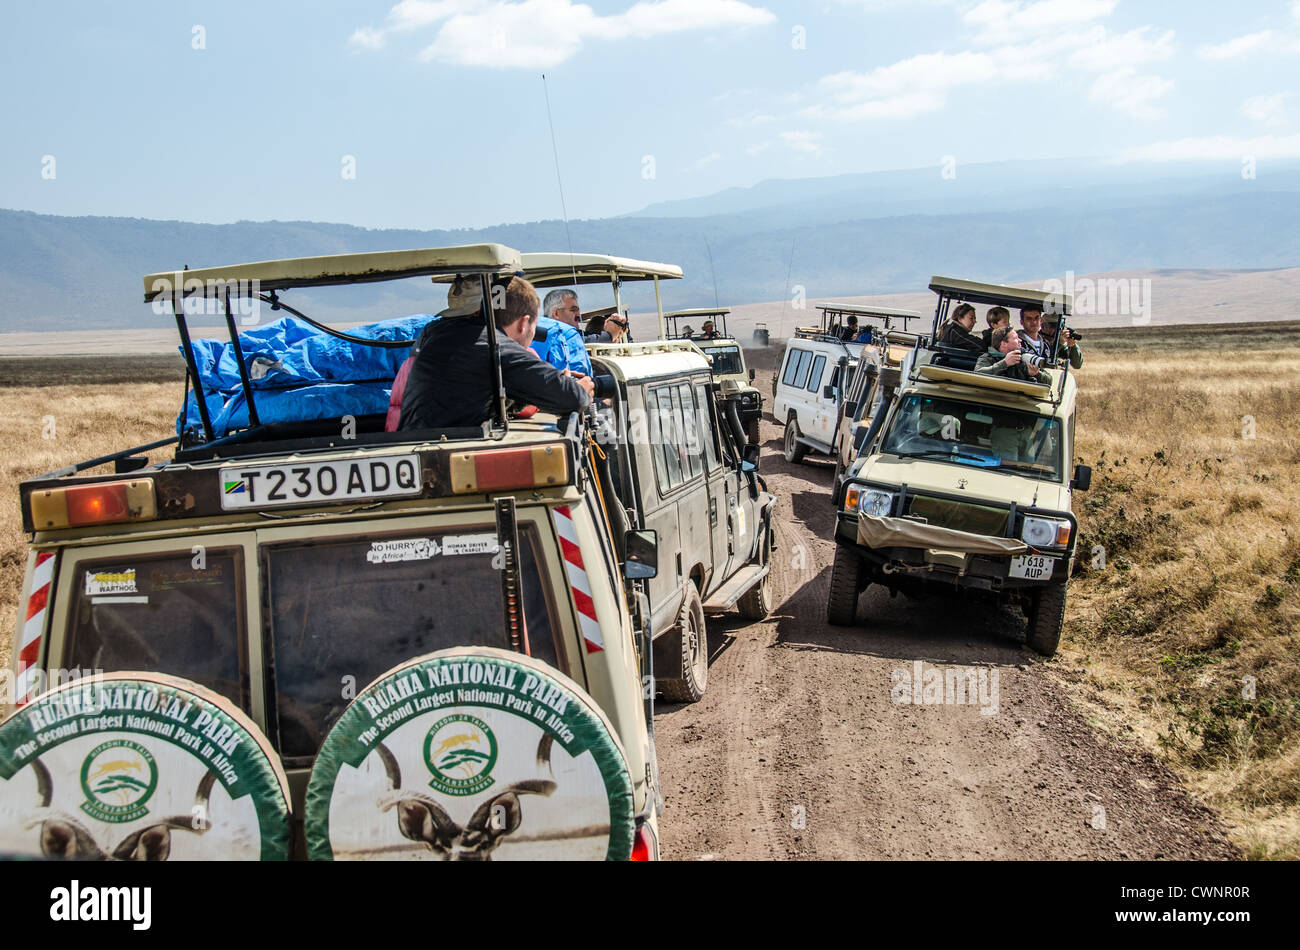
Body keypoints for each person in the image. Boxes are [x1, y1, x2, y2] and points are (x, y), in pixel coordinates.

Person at [398, 275, 593, 430]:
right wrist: (581, 387)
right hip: (449, 454)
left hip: (410, 441)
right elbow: (573, 397)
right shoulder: (497, 348)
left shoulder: (436, 336)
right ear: (524, 323)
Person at [976, 325, 1052, 384]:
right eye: (1015, 338)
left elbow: (1049, 380)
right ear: (1004, 344)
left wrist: (1036, 374)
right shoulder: (988, 358)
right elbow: (978, 374)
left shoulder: (1023, 357)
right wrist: (1004, 363)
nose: (1020, 340)